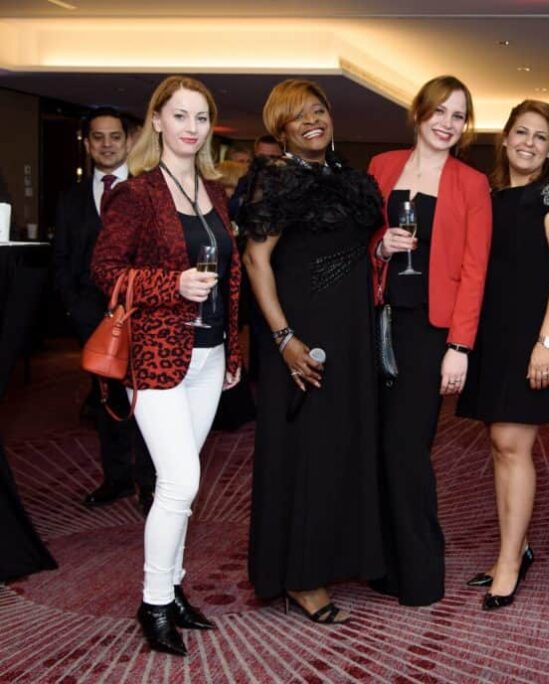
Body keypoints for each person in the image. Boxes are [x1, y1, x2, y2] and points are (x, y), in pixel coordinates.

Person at [92, 75, 242, 657]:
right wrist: (171, 284)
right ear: (156, 121)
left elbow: (229, 277)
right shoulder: (136, 193)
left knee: (181, 482)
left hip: (208, 354)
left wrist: (232, 350)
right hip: (155, 355)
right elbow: (105, 271)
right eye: (180, 116)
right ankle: (154, 602)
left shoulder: (215, 192)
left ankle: (174, 591)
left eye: (201, 118)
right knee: (180, 480)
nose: (191, 128)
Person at [240, 78, 385, 624]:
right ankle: (300, 576)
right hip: (301, 336)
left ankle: (335, 556)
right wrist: (283, 338)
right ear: (281, 129)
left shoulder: (346, 176)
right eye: (298, 116)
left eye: (318, 110)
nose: (312, 121)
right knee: (307, 452)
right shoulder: (276, 179)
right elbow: (256, 261)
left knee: (342, 445)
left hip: (350, 332)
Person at [369, 75, 492, 606]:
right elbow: (362, 239)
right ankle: (383, 565)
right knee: (376, 444)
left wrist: (459, 347)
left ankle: (421, 572)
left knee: (407, 449)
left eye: (458, 116)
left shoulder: (471, 183)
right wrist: (381, 247)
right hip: (377, 321)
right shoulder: (382, 167)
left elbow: (475, 270)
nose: (447, 123)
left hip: (429, 331)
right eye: (439, 111)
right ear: (419, 113)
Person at [456, 100, 549, 610]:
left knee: (513, 444)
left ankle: (509, 562)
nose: (529, 143)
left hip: (532, 336)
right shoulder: (488, 195)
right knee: (499, 445)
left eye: (540, 137)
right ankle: (515, 547)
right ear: (505, 138)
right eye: (521, 132)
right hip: (492, 334)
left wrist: (547, 342)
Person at [52, 106, 156, 513]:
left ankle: (150, 484)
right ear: (88, 143)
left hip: (142, 315)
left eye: (115, 136)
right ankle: (117, 478)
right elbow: (62, 261)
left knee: (146, 403)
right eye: (98, 137)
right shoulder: (70, 199)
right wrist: (77, 312)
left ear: (129, 140)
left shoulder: (149, 189)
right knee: (107, 402)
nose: (107, 145)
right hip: (92, 319)